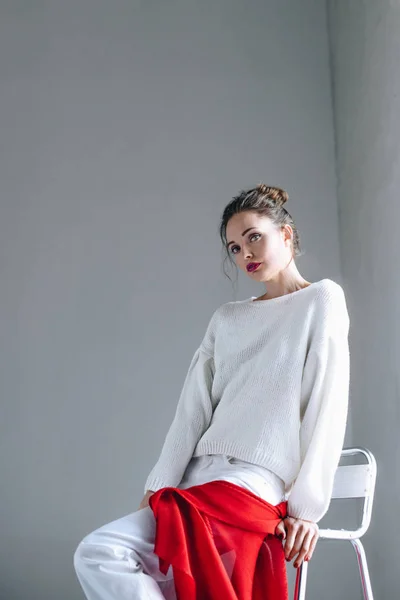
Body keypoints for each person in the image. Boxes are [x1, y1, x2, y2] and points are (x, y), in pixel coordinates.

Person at [74, 184, 350, 599]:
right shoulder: (227, 319)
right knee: (106, 556)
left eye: (254, 236)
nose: (245, 255)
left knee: (104, 554)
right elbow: (192, 412)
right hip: (196, 479)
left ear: (286, 234)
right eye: (235, 248)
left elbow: (327, 408)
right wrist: (158, 486)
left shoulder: (321, 300)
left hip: (251, 481)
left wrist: (307, 511)